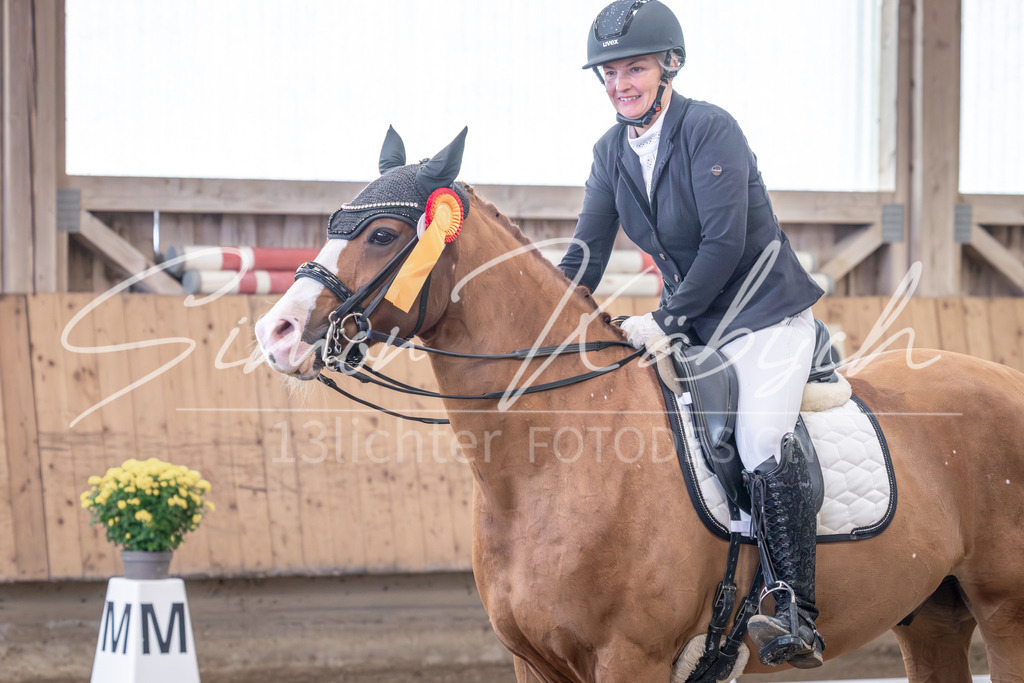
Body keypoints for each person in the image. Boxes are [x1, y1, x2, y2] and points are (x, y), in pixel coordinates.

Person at [558, 0, 827, 668]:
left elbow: (722, 243)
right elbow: (587, 253)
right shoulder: (611, 153)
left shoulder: (710, 129)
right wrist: (546, 315)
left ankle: (794, 607)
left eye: (634, 69)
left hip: (764, 316)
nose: (619, 84)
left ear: (669, 66)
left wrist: (666, 320)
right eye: (609, 73)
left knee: (759, 436)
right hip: (693, 329)